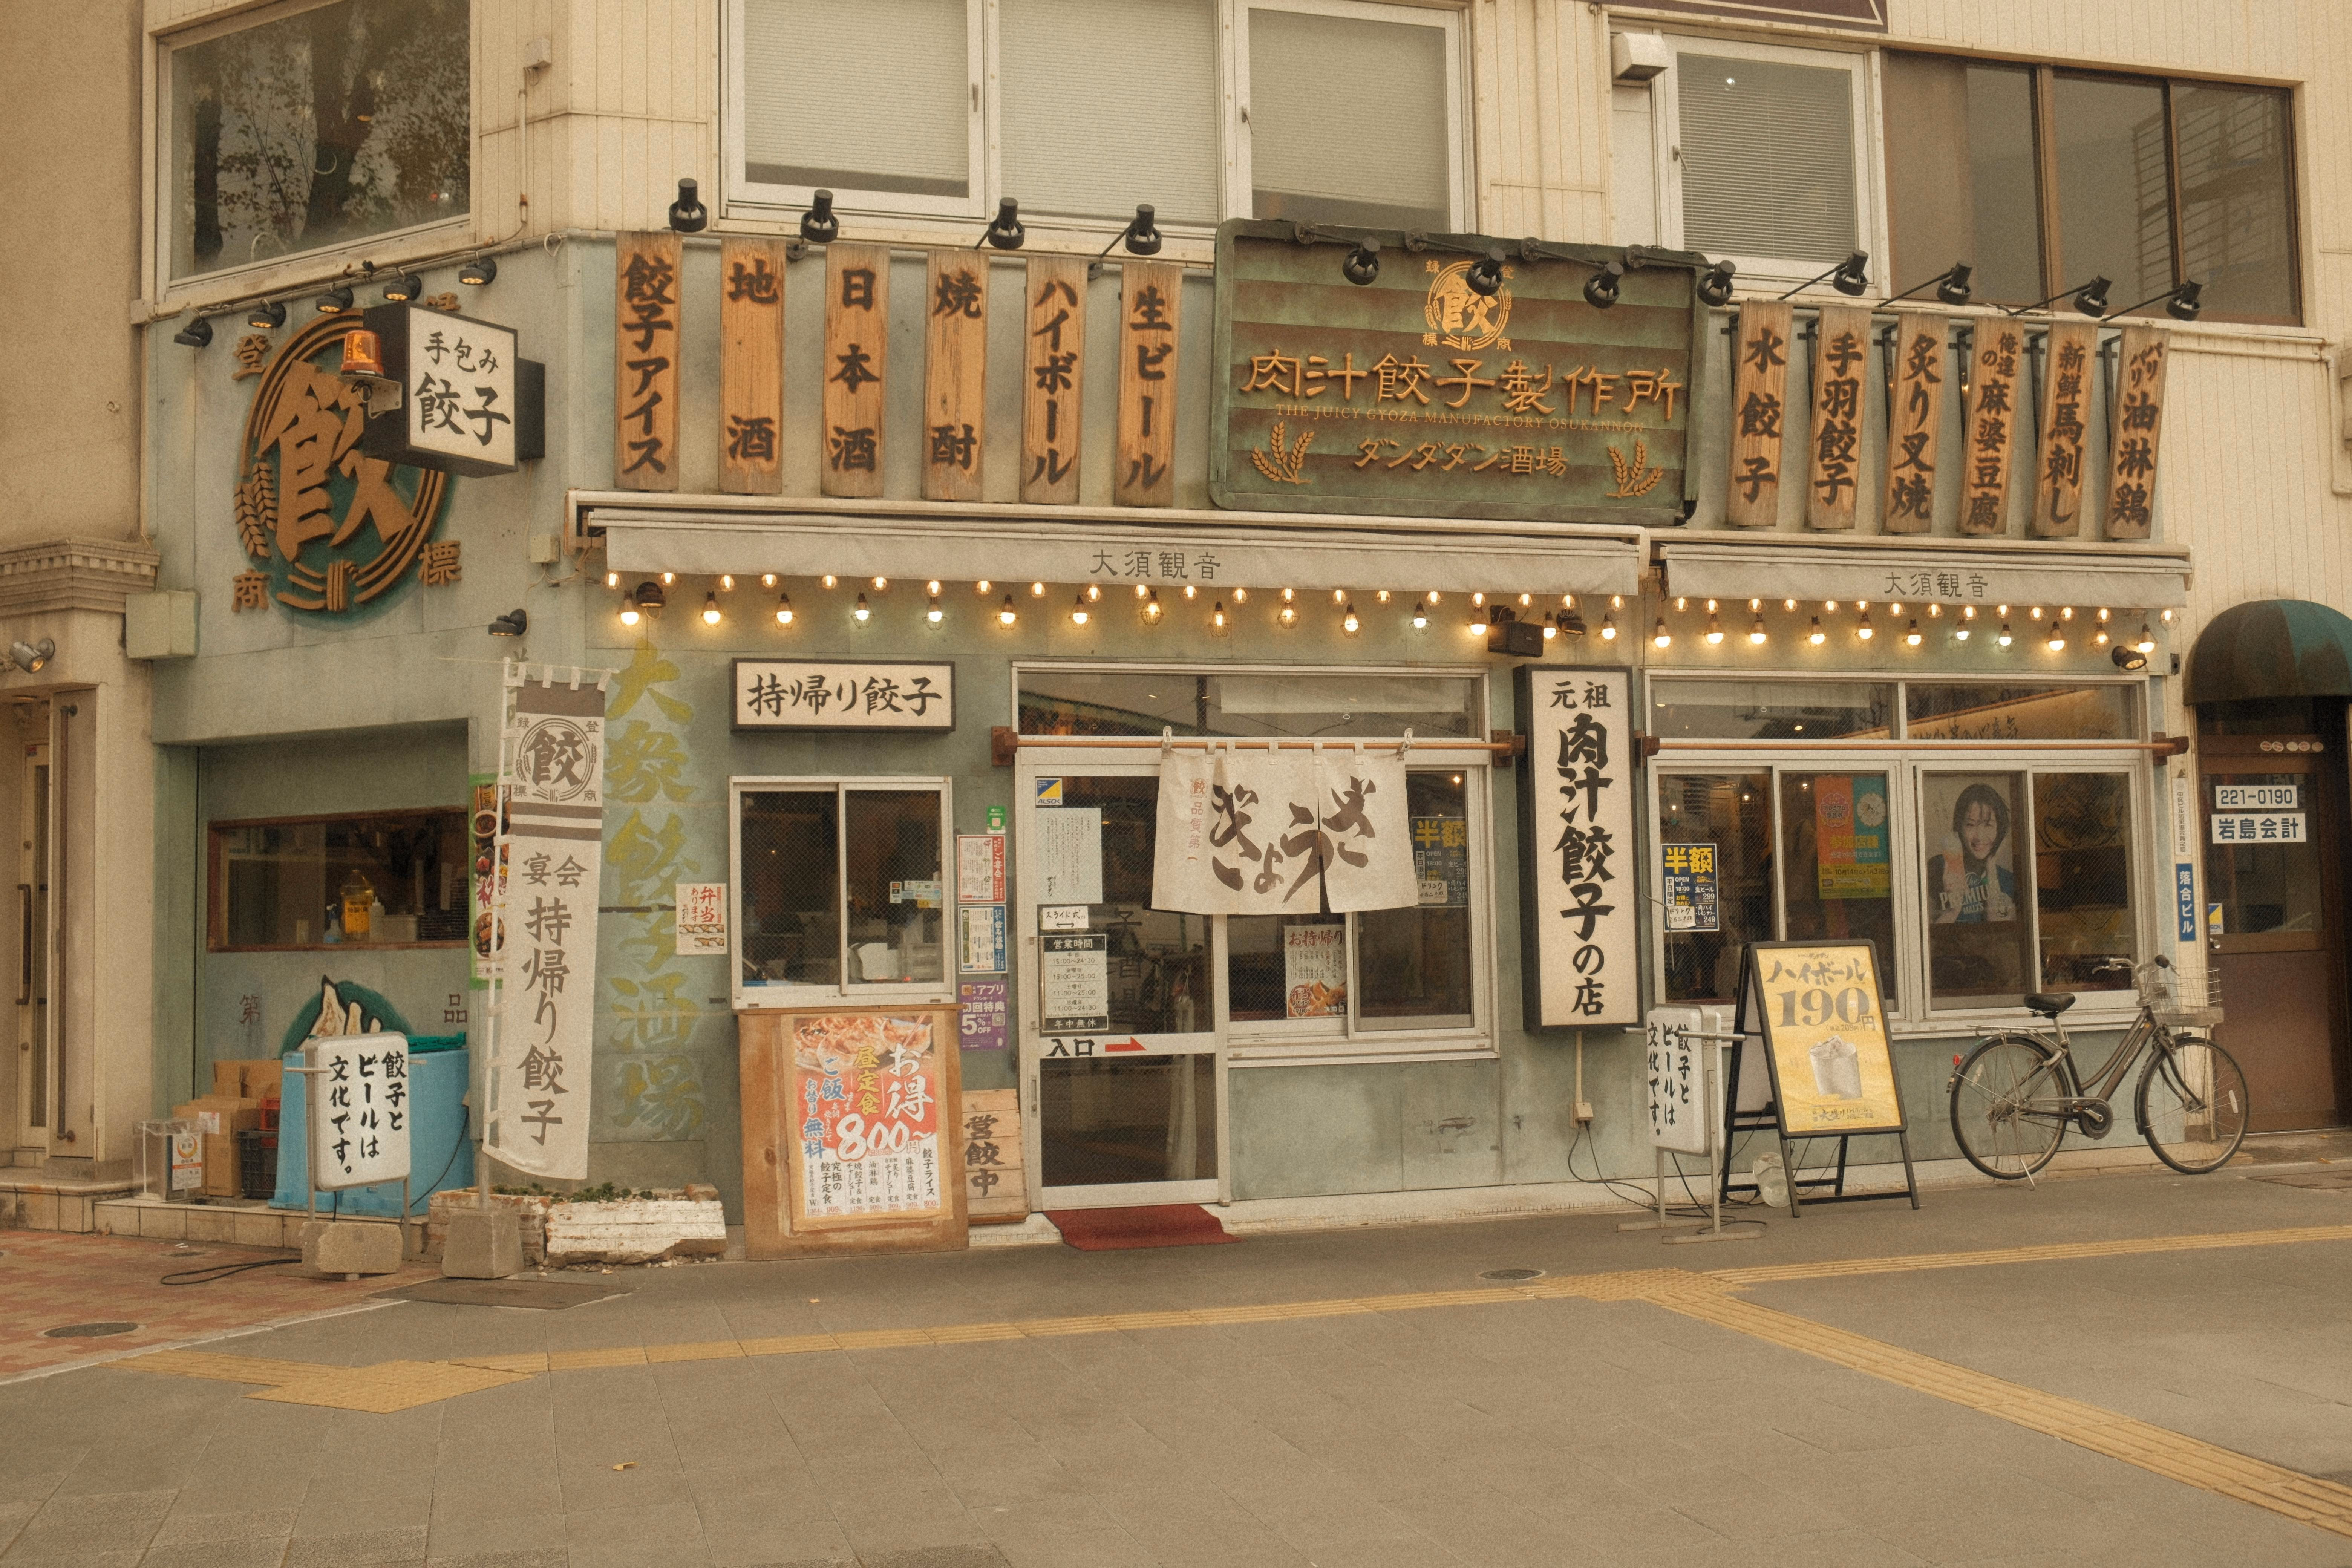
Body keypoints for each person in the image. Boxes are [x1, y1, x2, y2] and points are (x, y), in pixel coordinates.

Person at [1930, 782, 2017, 924]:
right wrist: (1952, 911)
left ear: (1999, 829)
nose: (1979, 837)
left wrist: (1991, 869)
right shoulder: (1937, 867)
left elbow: (2000, 933)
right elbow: (1925, 937)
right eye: (1971, 825)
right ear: (1959, 827)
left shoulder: (2007, 880)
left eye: (1988, 825)